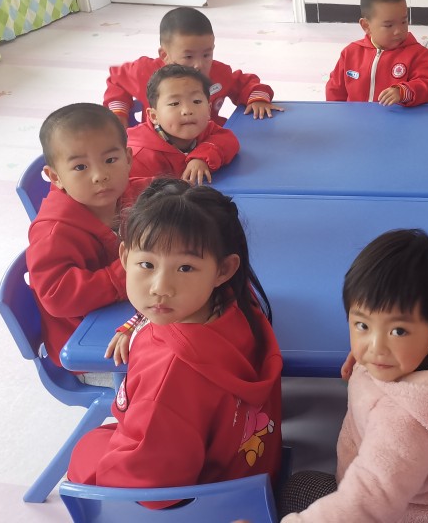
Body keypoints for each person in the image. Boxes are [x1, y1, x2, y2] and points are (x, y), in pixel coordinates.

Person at [280, 229, 428, 523]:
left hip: (393, 514)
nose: (376, 347)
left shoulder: (403, 423)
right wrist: (367, 351)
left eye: (397, 331)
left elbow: (368, 500)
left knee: (295, 489)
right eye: (362, 325)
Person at [67, 179, 283, 503]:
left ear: (224, 269)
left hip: (206, 501)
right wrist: (135, 324)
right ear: (124, 256)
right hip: (248, 470)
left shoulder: (168, 380)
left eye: (185, 268)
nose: (160, 287)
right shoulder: (234, 299)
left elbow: (151, 494)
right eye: (147, 264)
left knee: (84, 455)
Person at [26, 103, 148, 373]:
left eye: (110, 160)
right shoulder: (54, 233)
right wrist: (130, 270)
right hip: (91, 351)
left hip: (132, 313)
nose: (100, 175)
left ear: (128, 159)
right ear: (55, 177)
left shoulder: (132, 194)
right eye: (80, 167)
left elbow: (161, 192)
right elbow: (56, 296)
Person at [104, 6, 282, 126]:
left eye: (207, 54)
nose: (198, 65)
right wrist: (119, 113)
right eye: (188, 56)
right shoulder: (144, 71)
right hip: (157, 148)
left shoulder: (219, 73)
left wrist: (258, 99)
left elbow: (245, 83)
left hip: (208, 144)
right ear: (164, 55)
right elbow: (117, 80)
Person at [325, 0, 428, 106]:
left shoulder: (419, 55)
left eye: (403, 22)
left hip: (398, 118)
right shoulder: (350, 53)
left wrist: (404, 92)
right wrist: (336, 113)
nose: (398, 31)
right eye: (389, 25)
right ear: (366, 26)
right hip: (356, 118)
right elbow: (335, 92)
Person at [126, 64, 240, 185]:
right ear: (154, 116)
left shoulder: (205, 129)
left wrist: (201, 158)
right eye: (174, 103)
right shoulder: (139, 158)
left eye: (196, 101)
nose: (187, 110)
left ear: (208, 110)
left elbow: (228, 139)